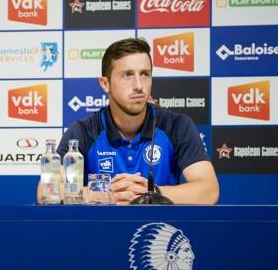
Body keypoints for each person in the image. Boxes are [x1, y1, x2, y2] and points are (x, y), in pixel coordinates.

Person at [41, 37, 218, 205]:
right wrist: (106, 195)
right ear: (105, 83)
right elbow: (45, 192)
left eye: (145, 74)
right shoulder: (84, 131)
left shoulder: (176, 125)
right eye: (127, 75)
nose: (139, 85)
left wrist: (151, 193)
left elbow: (209, 190)